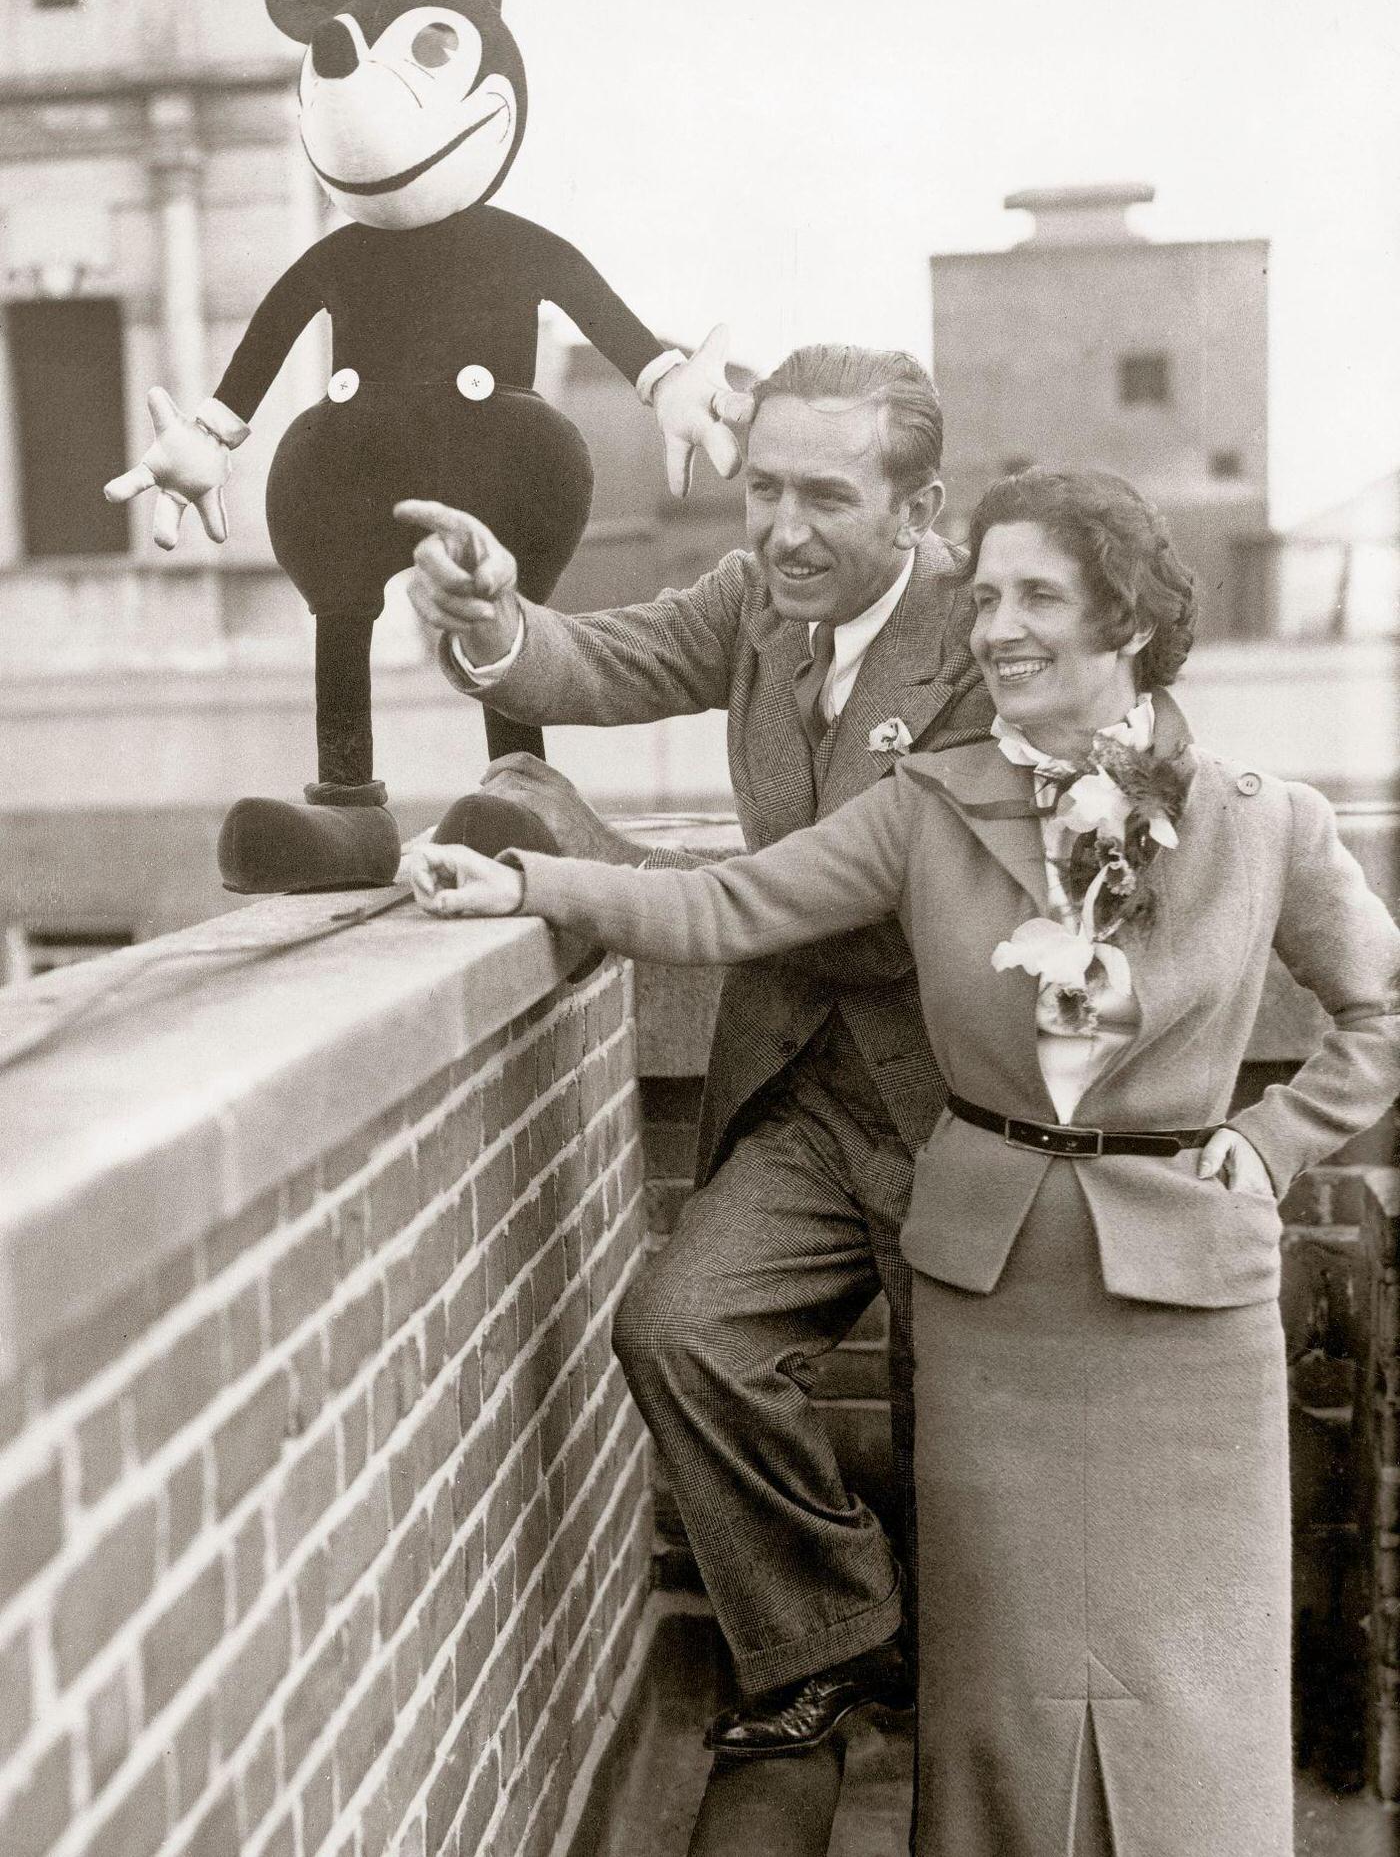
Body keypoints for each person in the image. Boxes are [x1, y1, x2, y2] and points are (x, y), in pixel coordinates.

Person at [406, 466, 1400, 1856]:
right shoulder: (927, 804)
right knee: (1001, 1681)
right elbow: (732, 902)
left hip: (1193, 1321)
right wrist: (533, 885)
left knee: (1190, 1690)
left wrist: (1278, 1135)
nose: (996, 626)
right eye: (984, 594)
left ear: (1128, 623)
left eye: (1038, 596)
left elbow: (1382, 1009)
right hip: (996, 1291)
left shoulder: (1265, 818)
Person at [396, 345, 993, 1756]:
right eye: (763, 486)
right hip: (800, 1089)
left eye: (827, 496)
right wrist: (494, 622)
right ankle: (834, 1645)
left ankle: (975, 1734)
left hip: (959, 1118)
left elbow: (872, 919)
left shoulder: (986, 641)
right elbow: (595, 657)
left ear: (918, 509)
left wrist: (593, 860)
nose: (783, 528)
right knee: (683, 1328)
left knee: (961, 1444)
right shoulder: (754, 605)